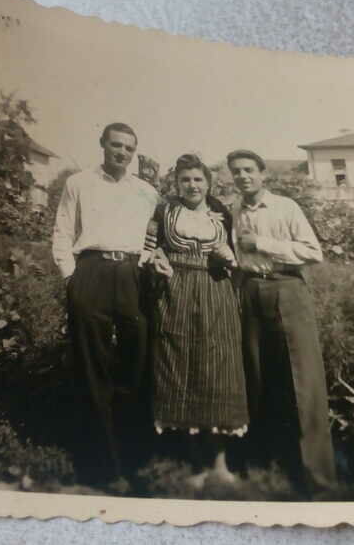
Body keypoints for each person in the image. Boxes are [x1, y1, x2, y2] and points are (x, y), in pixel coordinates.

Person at [51, 122, 160, 489]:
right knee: (90, 365)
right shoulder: (78, 183)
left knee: (136, 359)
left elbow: (152, 237)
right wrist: (71, 276)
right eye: (116, 145)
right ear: (103, 144)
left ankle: (133, 459)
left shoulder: (146, 192)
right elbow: (63, 230)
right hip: (91, 272)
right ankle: (98, 465)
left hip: (132, 275)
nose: (122, 153)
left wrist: (145, 262)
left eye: (129, 148)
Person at [226, 149, 337, 495]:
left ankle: (315, 476)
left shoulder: (285, 207)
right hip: (249, 291)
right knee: (257, 377)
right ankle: (269, 466)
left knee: (301, 381)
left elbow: (312, 252)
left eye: (248, 170)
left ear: (263, 174)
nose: (243, 176)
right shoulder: (233, 211)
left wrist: (261, 242)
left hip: (286, 289)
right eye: (236, 172)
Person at [145, 154, 249, 489]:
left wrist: (229, 257)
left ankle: (220, 465)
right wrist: (157, 258)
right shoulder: (164, 211)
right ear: (177, 183)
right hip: (175, 292)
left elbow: (239, 257)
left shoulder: (223, 215)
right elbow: (146, 250)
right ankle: (194, 466)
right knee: (181, 368)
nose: (192, 185)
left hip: (216, 291)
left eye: (198, 180)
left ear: (208, 183)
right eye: (186, 180)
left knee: (218, 368)